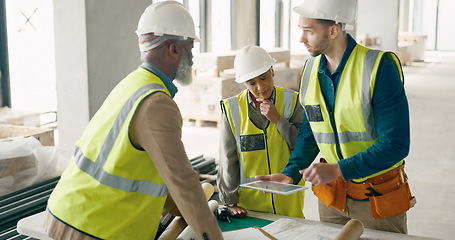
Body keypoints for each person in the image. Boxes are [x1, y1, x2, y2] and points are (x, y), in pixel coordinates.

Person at [42, 2, 223, 239]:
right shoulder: (157, 104)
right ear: (173, 49)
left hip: (71, 212)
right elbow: (185, 184)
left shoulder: (133, 84)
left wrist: (170, 203)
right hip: (93, 228)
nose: (192, 58)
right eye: (190, 49)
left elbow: (133, 162)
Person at [256, 0, 416, 234]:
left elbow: (396, 145)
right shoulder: (310, 71)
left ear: (333, 30)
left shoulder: (379, 68)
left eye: (308, 31)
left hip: (377, 200)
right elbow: (312, 132)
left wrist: (337, 169)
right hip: (333, 200)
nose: (301, 38)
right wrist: (291, 173)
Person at [217, 45, 305, 218]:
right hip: (250, 206)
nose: (260, 86)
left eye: (264, 78)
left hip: (288, 202)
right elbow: (228, 158)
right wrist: (230, 201)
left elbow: (302, 146)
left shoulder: (293, 101)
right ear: (244, 82)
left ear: (272, 70)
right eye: (252, 83)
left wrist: (278, 120)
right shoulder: (232, 109)